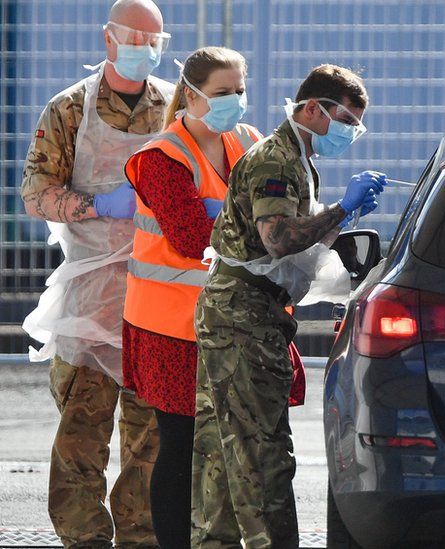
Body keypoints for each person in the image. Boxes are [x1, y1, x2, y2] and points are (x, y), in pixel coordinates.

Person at [192, 64, 383, 547]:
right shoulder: (276, 160)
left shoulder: (296, 160)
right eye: (346, 120)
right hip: (243, 318)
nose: (350, 133)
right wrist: (342, 210)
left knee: (221, 454)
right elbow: (277, 238)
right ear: (313, 108)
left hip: (241, 314)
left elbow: (291, 238)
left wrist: (342, 215)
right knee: (261, 456)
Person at [19, 1, 173, 547]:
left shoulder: (174, 107)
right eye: (137, 38)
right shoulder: (69, 109)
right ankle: (83, 539)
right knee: (81, 434)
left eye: (157, 40)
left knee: (149, 436)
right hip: (91, 296)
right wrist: (97, 206)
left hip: (156, 294)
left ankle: (140, 536)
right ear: (109, 39)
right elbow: (35, 194)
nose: (148, 50)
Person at [121, 46, 261, 549]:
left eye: (241, 91)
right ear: (194, 93)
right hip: (172, 330)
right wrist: (269, 232)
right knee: (180, 447)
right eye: (224, 93)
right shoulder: (161, 156)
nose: (236, 103)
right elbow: (190, 237)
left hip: (236, 322)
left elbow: (281, 207)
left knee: (237, 448)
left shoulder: (247, 140)